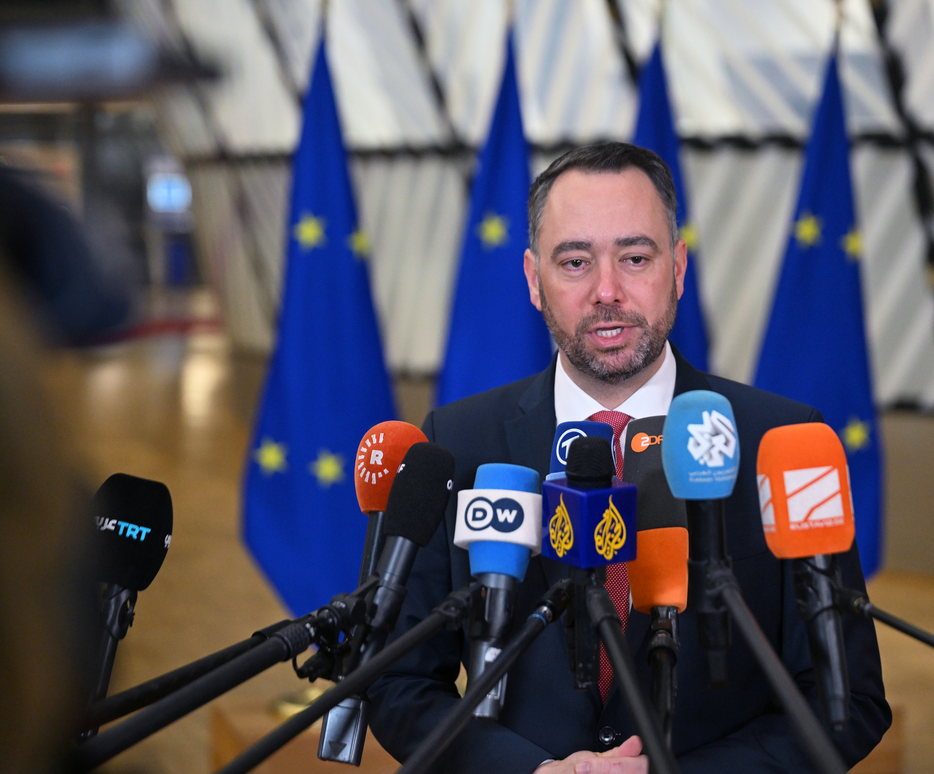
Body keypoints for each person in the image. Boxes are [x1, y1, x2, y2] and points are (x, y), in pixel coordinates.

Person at [368, 142, 891, 773]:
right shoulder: (459, 442)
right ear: (534, 281)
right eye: (576, 262)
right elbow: (399, 686)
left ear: (678, 266)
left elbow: (848, 701)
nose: (607, 291)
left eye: (635, 257)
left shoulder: (781, 444)